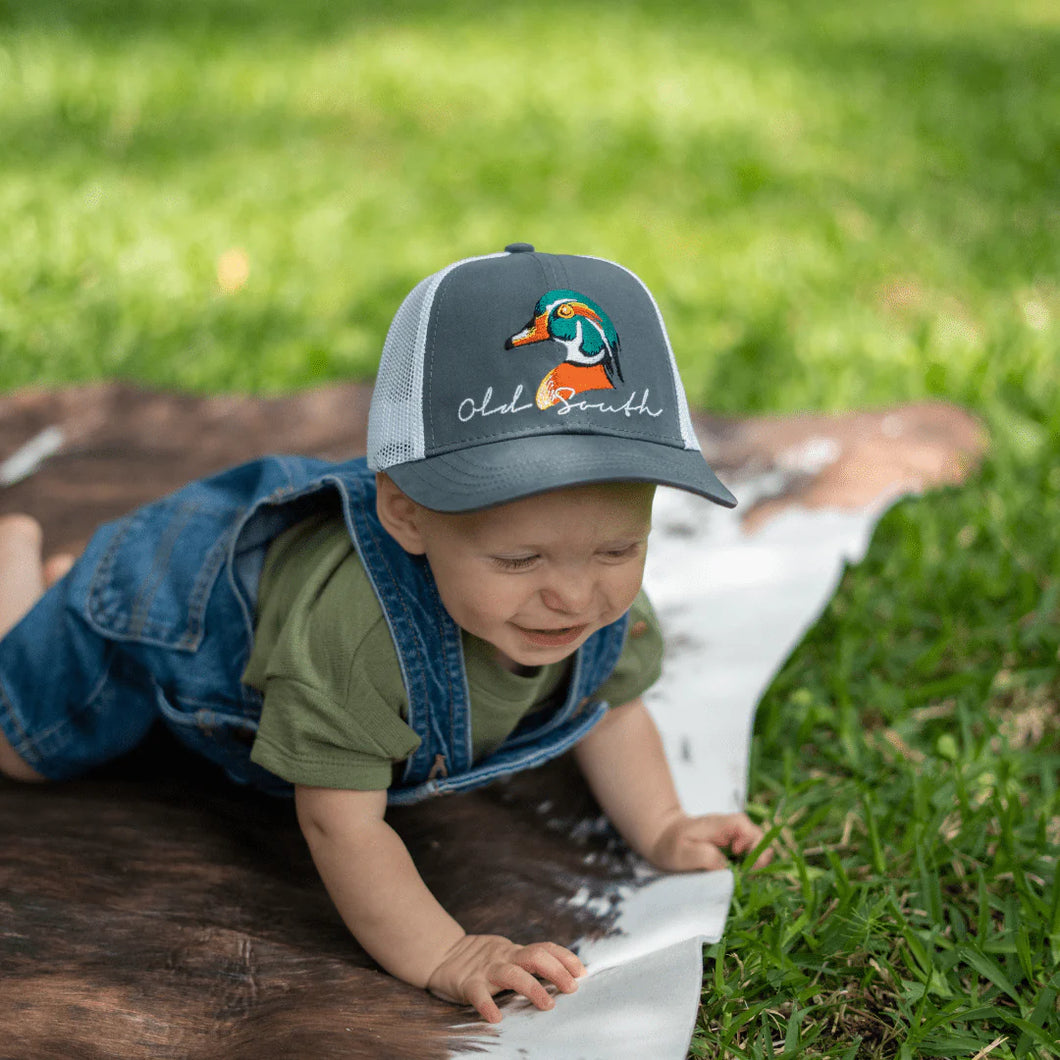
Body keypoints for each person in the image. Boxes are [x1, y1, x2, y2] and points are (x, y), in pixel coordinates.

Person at [0, 245, 771, 1023]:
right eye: (519, 557)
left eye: (617, 549)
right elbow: (339, 821)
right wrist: (445, 951)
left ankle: (62, 576)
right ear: (406, 514)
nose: (573, 593)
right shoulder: (357, 637)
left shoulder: (601, 604)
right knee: (19, 746)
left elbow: (612, 711)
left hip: (277, 589)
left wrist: (664, 827)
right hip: (161, 609)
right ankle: (24, 570)